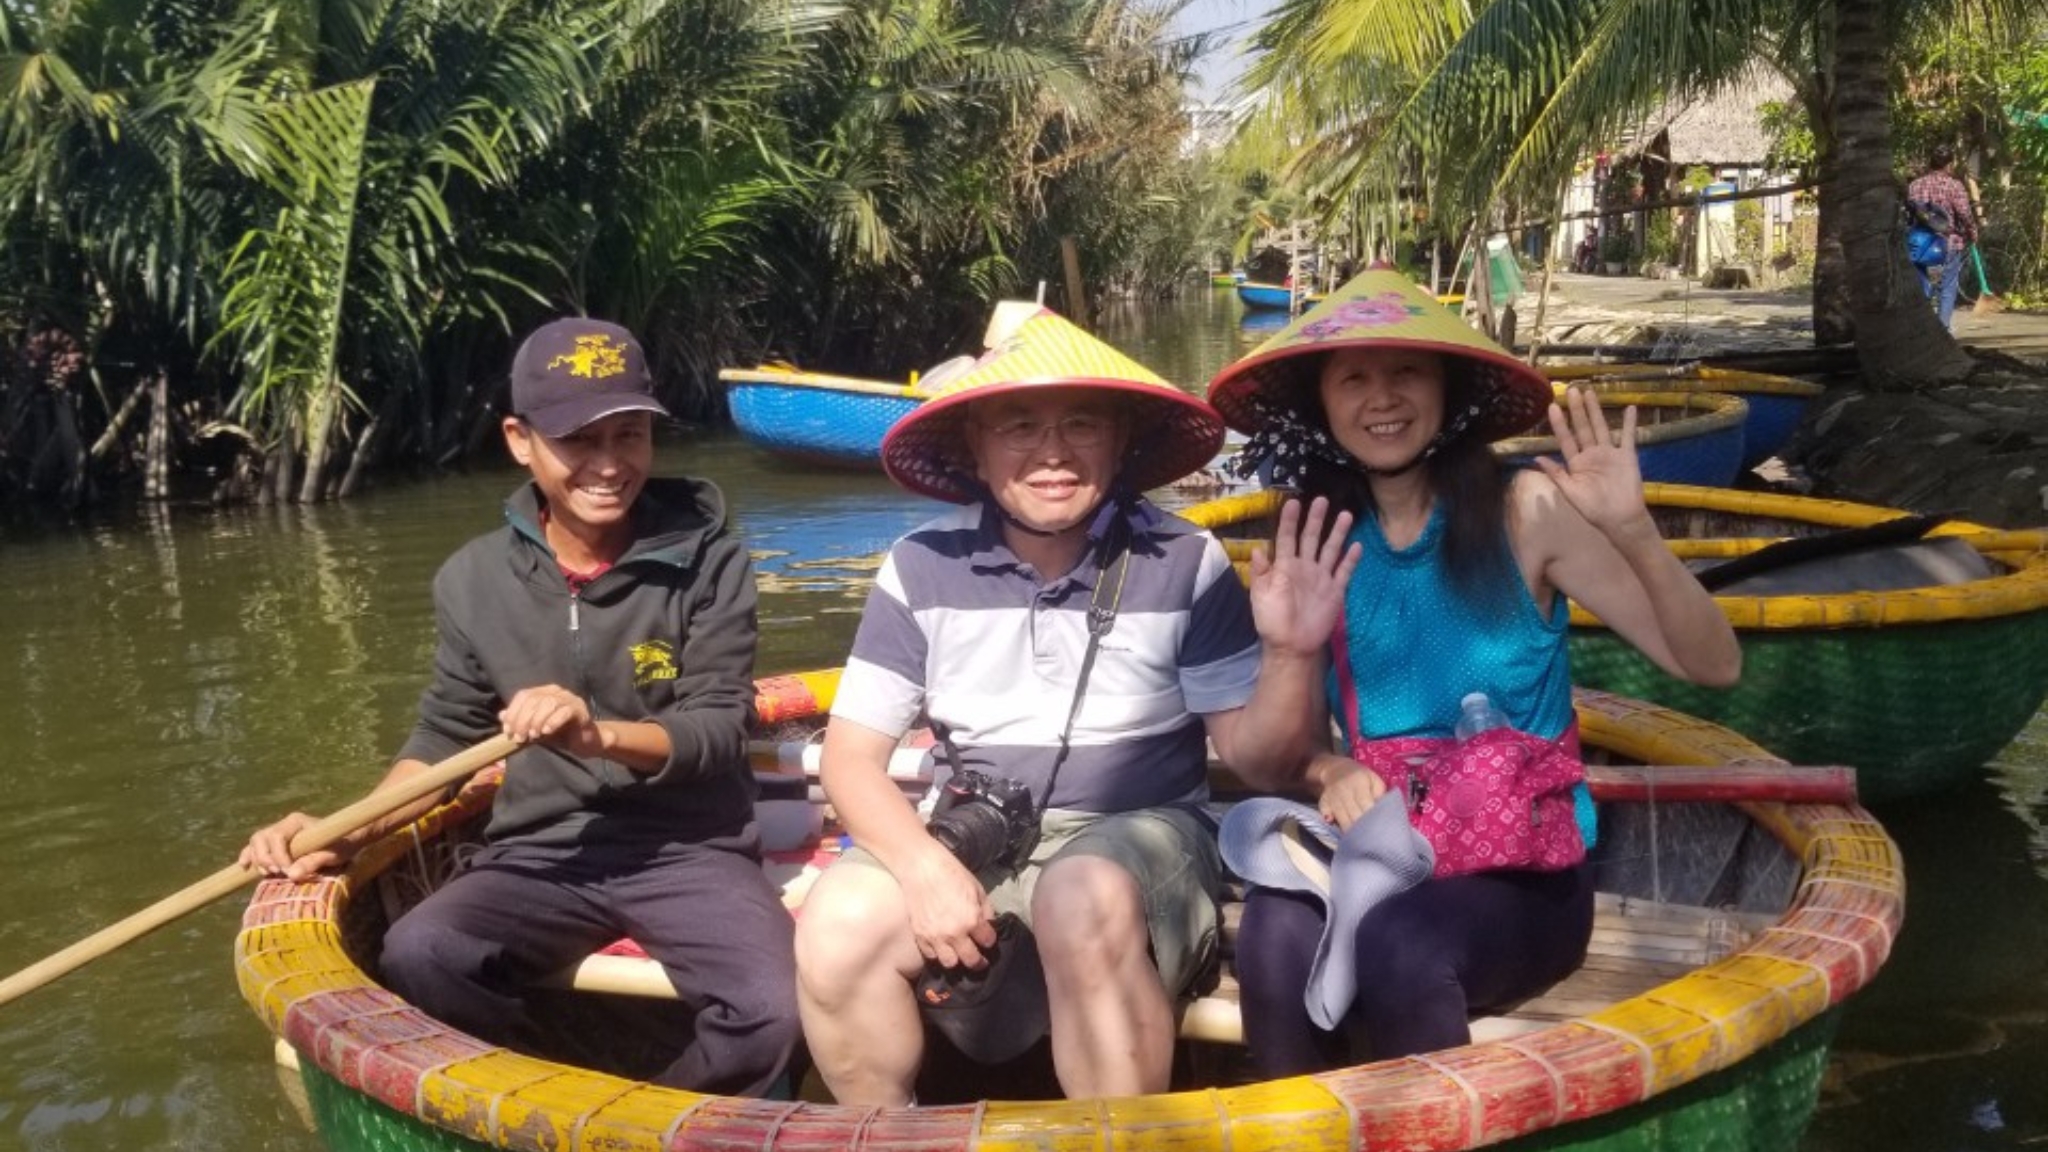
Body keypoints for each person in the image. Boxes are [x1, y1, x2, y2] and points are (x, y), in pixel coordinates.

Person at [240, 318, 800, 1096]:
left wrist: (593, 734)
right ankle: (550, 1086)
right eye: (580, 441)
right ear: (519, 439)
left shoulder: (710, 559)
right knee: (420, 951)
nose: (609, 465)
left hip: (690, 849)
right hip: (541, 851)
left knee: (774, 1009)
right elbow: (443, 736)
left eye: (630, 436)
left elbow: (714, 728)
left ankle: (662, 1109)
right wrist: (345, 830)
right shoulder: (472, 581)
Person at [792, 306, 1337, 1105]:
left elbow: (1257, 761)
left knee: (1079, 893)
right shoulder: (919, 566)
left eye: (1082, 424)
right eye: (1018, 426)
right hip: (979, 827)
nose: (1052, 453)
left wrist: (1292, 652)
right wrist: (922, 868)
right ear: (975, 448)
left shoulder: (1187, 561)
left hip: (1142, 834)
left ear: (1120, 443)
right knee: (836, 922)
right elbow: (850, 758)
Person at [1204, 270, 1742, 1074]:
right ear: (1322, 404)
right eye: (1353, 378)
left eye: (1406, 373)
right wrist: (1329, 762)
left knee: (1399, 941)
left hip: (1525, 877)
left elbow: (1712, 664)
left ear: (1447, 392)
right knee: (1275, 933)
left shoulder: (1526, 510)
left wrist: (1634, 531)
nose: (1381, 399)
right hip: (1385, 859)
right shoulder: (1318, 542)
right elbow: (1281, 758)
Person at [1906, 144, 1977, 330]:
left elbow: (1910, 213)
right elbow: (1964, 214)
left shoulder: (1915, 185)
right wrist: (1973, 231)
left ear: (1930, 163)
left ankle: (1921, 328)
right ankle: (1942, 329)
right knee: (1947, 287)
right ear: (1949, 165)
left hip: (1919, 242)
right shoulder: (1954, 186)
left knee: (1922, 285)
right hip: (1948, 242)